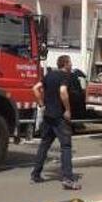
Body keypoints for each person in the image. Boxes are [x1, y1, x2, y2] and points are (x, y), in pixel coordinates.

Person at [31, 55, 80, 190]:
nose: (71, 65)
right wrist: (68, 110)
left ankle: (35, 174)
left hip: (48, 115)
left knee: (44, 145)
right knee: (66, 146)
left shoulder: (49, 75)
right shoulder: (65, 76)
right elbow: (63, 91)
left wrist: (41, 105)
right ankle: (68, 179)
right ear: (65, 64)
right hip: (59, 116)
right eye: (70, 63)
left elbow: (35, 88)